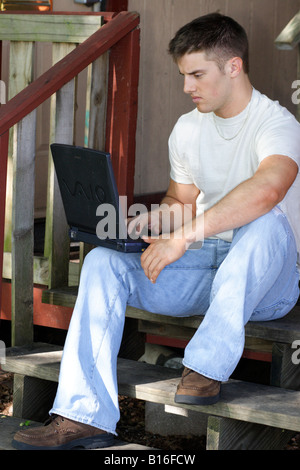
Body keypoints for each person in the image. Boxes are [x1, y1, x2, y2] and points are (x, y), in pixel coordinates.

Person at [13, 12, 300, 450]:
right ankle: (82, 414)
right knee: (107, 261)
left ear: (234, 66)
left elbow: (268, 189)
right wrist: (154, 220)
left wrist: (182, 237)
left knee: (263, 219)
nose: (187, 87)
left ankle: (204, 368)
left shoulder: (277, 125)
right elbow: (180, 202)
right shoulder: (188, 128)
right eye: (184, 75)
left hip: (267, 284)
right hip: (208, 271)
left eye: (197, 75)